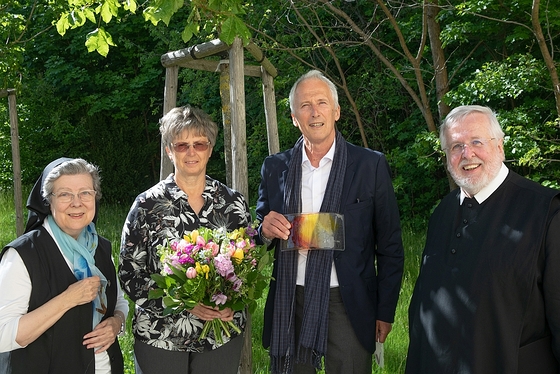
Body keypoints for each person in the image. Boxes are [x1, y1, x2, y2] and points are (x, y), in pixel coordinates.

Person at [256, 70, 405, 374]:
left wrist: (385, 310)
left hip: (347, 300)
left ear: (336, 111)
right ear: (294, 117)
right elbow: (260, 226)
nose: (314, 112)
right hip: (291, 298)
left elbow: (390, 245)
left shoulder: (369, 165)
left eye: (322, 103)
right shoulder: (275, 167)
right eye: (305, 105)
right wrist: (263, 230)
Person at [406, 105, 560, 373]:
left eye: (476, 141)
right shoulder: (442, 212)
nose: (467, 154)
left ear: (499, 146)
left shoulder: (546, 212)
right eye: (455, 146)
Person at [119, 105, 252, 374]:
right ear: (169, 150)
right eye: (181, 145)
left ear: (210, 148)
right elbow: (129, 274)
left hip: (220, 335)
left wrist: (233, 303)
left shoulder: (232, 203)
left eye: (199, 144)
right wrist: (184, 304)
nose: (191, 152)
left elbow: (247, 268)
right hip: (161, 337)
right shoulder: (147, 206)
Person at [0, 157, 128, 374]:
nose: (76, 203)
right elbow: (3, 335)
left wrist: (117, 323)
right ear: (48, 201)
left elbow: (120, 302)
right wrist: (67, 299)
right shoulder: (23, 255)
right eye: (65, 194)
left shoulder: (100, 247)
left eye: (85, 193)